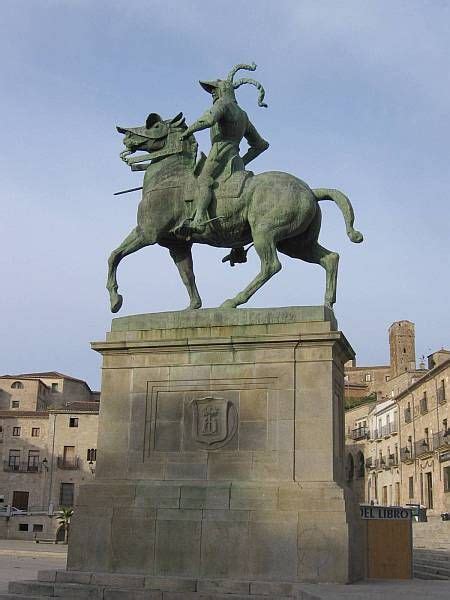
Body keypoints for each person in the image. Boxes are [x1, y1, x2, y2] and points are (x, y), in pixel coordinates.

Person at [178, 63, 269, 237]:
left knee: (203, 180)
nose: (212, 93)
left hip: (219, 152)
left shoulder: (223, 104)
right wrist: (242, 160)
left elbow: (209, 120)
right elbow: (260, 145)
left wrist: (188, 131)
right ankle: (238, 247)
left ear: (223, 90)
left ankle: (198, 220)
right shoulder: (243, 115)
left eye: (214, 90)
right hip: (235, 159)